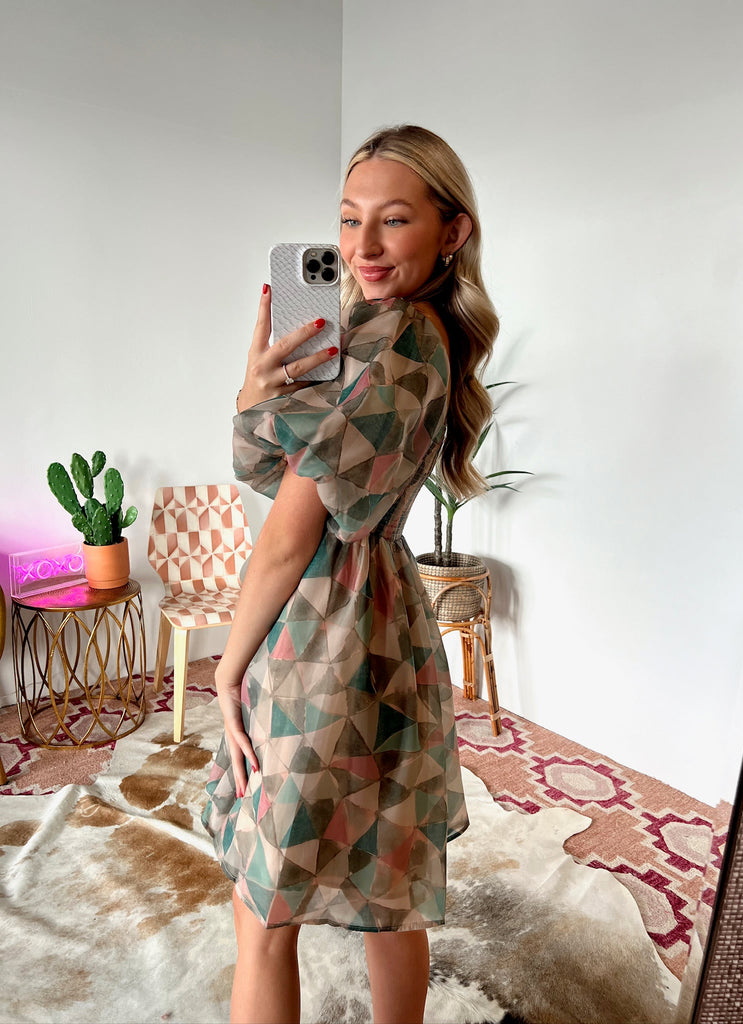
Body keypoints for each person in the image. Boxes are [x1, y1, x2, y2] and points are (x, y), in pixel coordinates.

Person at [202, 124, 499, 1024]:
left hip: (320, 632)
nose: (363, 246)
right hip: (383, 622)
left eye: (394, 220)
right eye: (347, 219)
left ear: (451, 231)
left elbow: (288, 537)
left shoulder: (390, 338)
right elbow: (283, 468)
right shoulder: (413, 334)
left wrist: (226, 669)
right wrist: (257, 391)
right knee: (386, 884)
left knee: (263, 907)